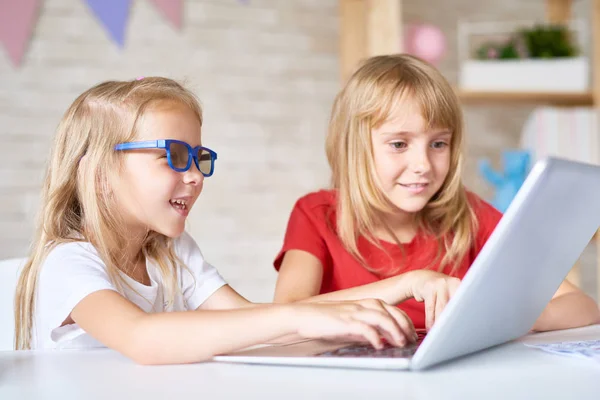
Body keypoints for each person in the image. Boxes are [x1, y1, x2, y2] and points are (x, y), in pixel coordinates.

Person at [14, 77, 417, 365]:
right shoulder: (67, 263)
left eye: (198, 158)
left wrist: (401, 287)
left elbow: (253, 323)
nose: (194, 175)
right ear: (99, 173)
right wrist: (300, 315)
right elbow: (141, 339)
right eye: (173, 156)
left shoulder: (172, 254)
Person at [273, 54, 600, 332]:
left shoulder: (469, 215)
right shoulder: (316, 215)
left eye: (438, 144)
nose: (423, 165)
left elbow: (581, 307)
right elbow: (285, 315)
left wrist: (494, 320)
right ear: (353, 147)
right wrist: (407, 284)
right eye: (399, 144)